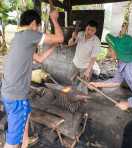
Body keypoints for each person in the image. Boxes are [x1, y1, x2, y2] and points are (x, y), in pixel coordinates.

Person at [1, 9, 63, 148]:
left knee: (27, 114)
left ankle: (25, 143)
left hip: (8, 91)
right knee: (12, 142)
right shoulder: (29, 34)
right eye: (39, 26)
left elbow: (40, 59)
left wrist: (54, 46)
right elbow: (60, 37)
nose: (39, 29)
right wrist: (54, 19)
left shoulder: (20, 37)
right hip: (16, 96)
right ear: (34, 23)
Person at [89, 22, 132, 148]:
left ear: (117, 51)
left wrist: (127, 103)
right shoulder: (123, 62)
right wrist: (97, 84)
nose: (108, 50)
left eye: (110, 48)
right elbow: (116, 81)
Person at [68, 20, 101, 93]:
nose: (89, 32)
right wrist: (72, 37)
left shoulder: (96, 41)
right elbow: (70, 44)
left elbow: (93, 58)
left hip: (86, 67)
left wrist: (88, 70)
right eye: (88, 29)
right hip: (75, 64)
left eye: (92, 30)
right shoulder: (80, 34)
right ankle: (72, 97)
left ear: (95, 31)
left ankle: (81, 100)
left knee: (83, 86)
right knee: (72, 82)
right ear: (85, 28)